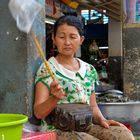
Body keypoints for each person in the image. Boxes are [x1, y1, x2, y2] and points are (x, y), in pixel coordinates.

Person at [34, 14, 135, 140]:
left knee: (124, 135)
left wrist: (102, 120)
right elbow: (38, 113)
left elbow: (92, 106)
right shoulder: (47, 69)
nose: (67, 42)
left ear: (81, 40)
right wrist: (54, 98)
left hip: (85, 126)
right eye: (61, 37)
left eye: (72, 37)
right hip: (57, 129)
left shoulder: (89, 69)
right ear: (54, 39)